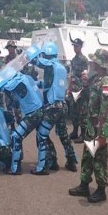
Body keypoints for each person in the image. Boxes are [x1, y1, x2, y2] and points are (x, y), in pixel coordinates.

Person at [69, 49, 108, 203]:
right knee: (87, 157)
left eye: (94, 61)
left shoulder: (105, 83)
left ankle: (101, 190)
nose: (92, 63)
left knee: (99, 159)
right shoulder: (96, 80)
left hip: (98, 128)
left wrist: (103, 133)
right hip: (90, 126)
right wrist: (86, 85)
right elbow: (89, 98)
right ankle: (84, 185)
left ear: (100, 63)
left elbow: (105, 109)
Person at [32, 42, 77, 175]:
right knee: (63, 135)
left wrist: (28, 57)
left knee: (41, 134)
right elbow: (48, 84)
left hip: (53, 108)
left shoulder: (50, 66)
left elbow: (38, 62)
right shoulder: (61, 68)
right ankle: (72, 161)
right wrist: (32, 83)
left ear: (46, 55)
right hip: (62, 107)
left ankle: (46, 164)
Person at [2, 73, 45, 175]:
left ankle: (15, 168)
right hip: (39, 110)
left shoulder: (18, 81)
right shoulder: (27, 77)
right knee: (42, 138)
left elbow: (7, 88)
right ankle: (43, 166)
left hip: (33, 113)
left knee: (16, 136)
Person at [67, 38, 89, 143]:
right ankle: (75, 131)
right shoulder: (74, 60)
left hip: (80, 90)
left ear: (80, 47)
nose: (75, 48)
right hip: (73, 90)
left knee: (82, 112)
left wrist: (83, 89)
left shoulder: (84, 60)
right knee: (73, 111)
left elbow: (85, 75)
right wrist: (68, 89)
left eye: (76, 46)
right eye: (74, 46)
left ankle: (83, 134)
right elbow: (71, 75)